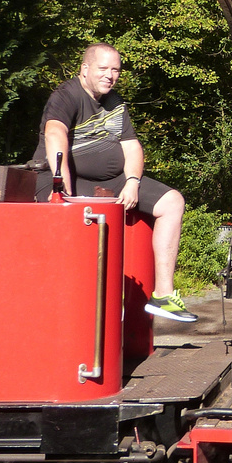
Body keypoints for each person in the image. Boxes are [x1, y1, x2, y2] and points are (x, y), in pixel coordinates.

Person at [32, 42, 197, 323]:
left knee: (173, 202)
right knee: (88, 217)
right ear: (85, 69)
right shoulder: (67, 95)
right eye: (103, 68)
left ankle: (163, 296)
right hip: (64, 179)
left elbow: (132, 147)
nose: (110, 75)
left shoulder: (115, 102)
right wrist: (63, 187)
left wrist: (132, 181)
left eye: (116, 70)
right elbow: (55, 134)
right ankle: (90, 306)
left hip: (113, 180)